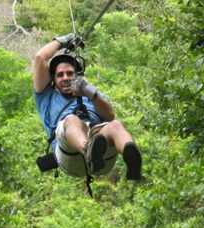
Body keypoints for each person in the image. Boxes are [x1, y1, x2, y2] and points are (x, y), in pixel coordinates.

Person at [33, 33, 142, 180]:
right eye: (60, 75)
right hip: (69, 157)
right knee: (71, 119)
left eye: (70, 73)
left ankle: (133, 161)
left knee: (115, 125)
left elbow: (110, 116)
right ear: (53, 79)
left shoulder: (91, 95)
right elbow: (40, 58)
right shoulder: (47, 97)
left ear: (77, 75)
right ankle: (88, 150)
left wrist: (88, 92)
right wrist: (63, 41)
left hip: (102, 158)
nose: (65, 78)